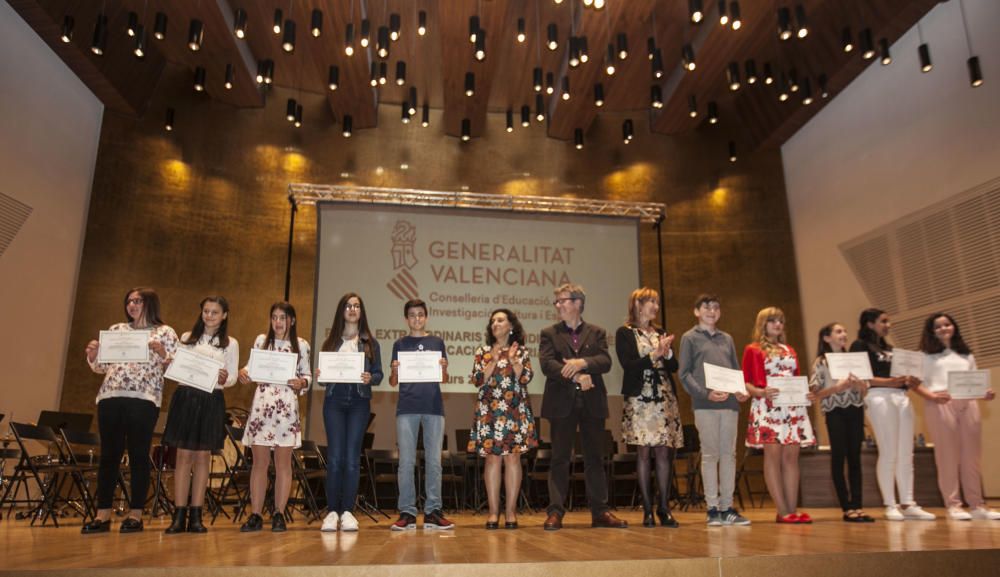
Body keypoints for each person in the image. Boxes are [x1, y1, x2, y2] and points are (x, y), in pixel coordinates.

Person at [82, 287, 179, 534]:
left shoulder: (165, 332)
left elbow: (177, 367)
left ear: (150, 303)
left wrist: (162, 353)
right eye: (129, 301)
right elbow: (102, 367)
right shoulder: (116, 330)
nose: (132, 305)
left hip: (144, 399)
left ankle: (135, 514)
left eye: (138, 301)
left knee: (138, 455)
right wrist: (93, 355)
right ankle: (102, 514)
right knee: (109, 456)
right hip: (110, 396)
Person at [539, 283, 626, 530]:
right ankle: (555, 512)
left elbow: (605, 361)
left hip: (592, 403)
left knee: (595, 459)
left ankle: (600, 512)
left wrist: (581, 362)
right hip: (561, 403)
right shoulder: (549, 333)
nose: (558, 305)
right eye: (556, 302)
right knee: (559, 459)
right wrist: (576, 375)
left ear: (578, 303)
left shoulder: (597, 333)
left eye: (562, 300)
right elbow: (547, 364)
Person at [162, 296, 239, 534]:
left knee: (203, 456)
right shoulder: (187, 338)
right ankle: (179, 514)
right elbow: (177, 370)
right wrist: (169, 364)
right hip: (186, 397)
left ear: (224, 315)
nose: (209, 316)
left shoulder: (230, 343)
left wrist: (226, 379)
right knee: (183, 455)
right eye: (206, 311)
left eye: (215, 312)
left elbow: (233, 376)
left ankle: (196, 514)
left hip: (211, 399)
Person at [850, 308, 935, 521]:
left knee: (907, 452)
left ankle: (908, 502)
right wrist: (890, 382)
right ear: (870, 323)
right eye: (884, 321)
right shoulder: (859, 346)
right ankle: (890, 503)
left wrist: (910, 380)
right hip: (878, 397)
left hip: (901, 397)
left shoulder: (890, 348)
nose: (888, 325)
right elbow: (859, 377)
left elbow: (901, 376)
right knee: (888, 452)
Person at [915, 313, 999, 521]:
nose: (944, 329)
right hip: (941, 402)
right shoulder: (924, 356)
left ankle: (977, 504)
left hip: (969, 403)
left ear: (954, 327)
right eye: (938, 326)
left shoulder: (966, 354)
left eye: (947, 324)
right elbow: (913, 382)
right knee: (947, 456)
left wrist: (985, 394)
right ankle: (953, 505)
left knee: (972, 456)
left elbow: (974, 381)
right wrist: (932, 396)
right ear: (931, 331)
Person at [238, 302, 312, 532]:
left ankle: (279, 513)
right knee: (259, 463)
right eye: (274, 317)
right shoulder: (262, 341)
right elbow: (250, 368)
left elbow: (307, 375)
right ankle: (256, 514)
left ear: (292, 320)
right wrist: (243, 373)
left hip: (286, 409)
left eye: (283, 317)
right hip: (262, 408)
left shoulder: (301, 345)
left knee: (283, 464)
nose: (278, 322)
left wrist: (303, 383)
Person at [678, 294, 751, 526]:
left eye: (716, 307)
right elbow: (684, 374)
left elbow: (735, 369)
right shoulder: (689, 338)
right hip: (705, 404)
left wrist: (740, 390)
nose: (712, 311)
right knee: (710, 455)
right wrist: (705, 393)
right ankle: (712, 509)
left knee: (729, 455)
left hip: (730, 405)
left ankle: (727, 507)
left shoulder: (726, 338)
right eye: (706, 307)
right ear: (696, 311)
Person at [615, 288, 683, 528]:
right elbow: (628, 365)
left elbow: (673, 366)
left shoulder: (661, 332)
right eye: (650, 302)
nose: (655, 306)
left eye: (656, 301)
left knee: (664, 452)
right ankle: (647, 510)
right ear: (638, 305)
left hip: (663, 396)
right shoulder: (625, 333)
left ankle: (664, 508)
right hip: (640, 398)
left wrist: (668, 351)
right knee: (643, 453)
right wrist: (655, 354)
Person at [742, 306, 816, 524]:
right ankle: (782, 510)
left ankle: (792, 509)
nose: (778, 324)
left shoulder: (789, 349)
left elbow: (796, 378)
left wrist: (807, 395)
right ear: (762, 324)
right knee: (772, 458)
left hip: (793, 408)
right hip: (768, 407)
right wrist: (760, 391)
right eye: (772, 320)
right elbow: (745, 381)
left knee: (791, 458)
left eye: (781, 321)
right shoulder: (753, 349)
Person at [316, 293, 383, 532]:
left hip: (358, 402)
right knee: (334, 458)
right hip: (333, 402)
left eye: (356, 306)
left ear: (361, 311)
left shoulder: (369, 343)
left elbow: (379, 374)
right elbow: (323, 381)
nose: (352, 309)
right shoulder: (331, 342)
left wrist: (370, 377)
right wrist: (320, 375)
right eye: (348, 305)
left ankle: (348, 512)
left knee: (352, 459)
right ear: (341, 311)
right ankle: (332, 511)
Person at [469, 308, 538, 530]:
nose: (495, 324)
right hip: (490, 412)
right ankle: (492, 513)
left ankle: (510, 512)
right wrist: (494, 360)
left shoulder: (520, 351)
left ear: (511, 325)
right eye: (492, 321)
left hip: (514, 412)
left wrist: (513, 360)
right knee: (492, 460)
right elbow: (478, 379)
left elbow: (526, 376)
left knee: (513, 459)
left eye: (500, 320)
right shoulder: (483, 351)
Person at [388, 299, 453, 531]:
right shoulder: (399, 343)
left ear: (426, 317)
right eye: (412, 315)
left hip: (434, 408)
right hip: (407, 407)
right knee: (406, 462)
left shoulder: (437, 342)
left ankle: (433, 511)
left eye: (420, 314)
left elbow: (443, 379)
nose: (416, 318)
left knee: (434, 462)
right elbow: (393, 381)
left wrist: (443, 367)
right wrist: (395, 370)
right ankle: (406, 511)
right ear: (406, 319)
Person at [808, 323, 871, 523]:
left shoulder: (854, 360)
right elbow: (815, 392)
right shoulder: (821, 361)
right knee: (839, 457)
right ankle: (846, 507)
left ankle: (857, 505)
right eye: (838, 331)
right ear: (826, 338)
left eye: (845, 330)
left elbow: (866, 388)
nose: (844, 334)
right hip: (835, 411)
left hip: (856, 410)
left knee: (855, 458)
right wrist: (838, 387)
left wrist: (859, 384)